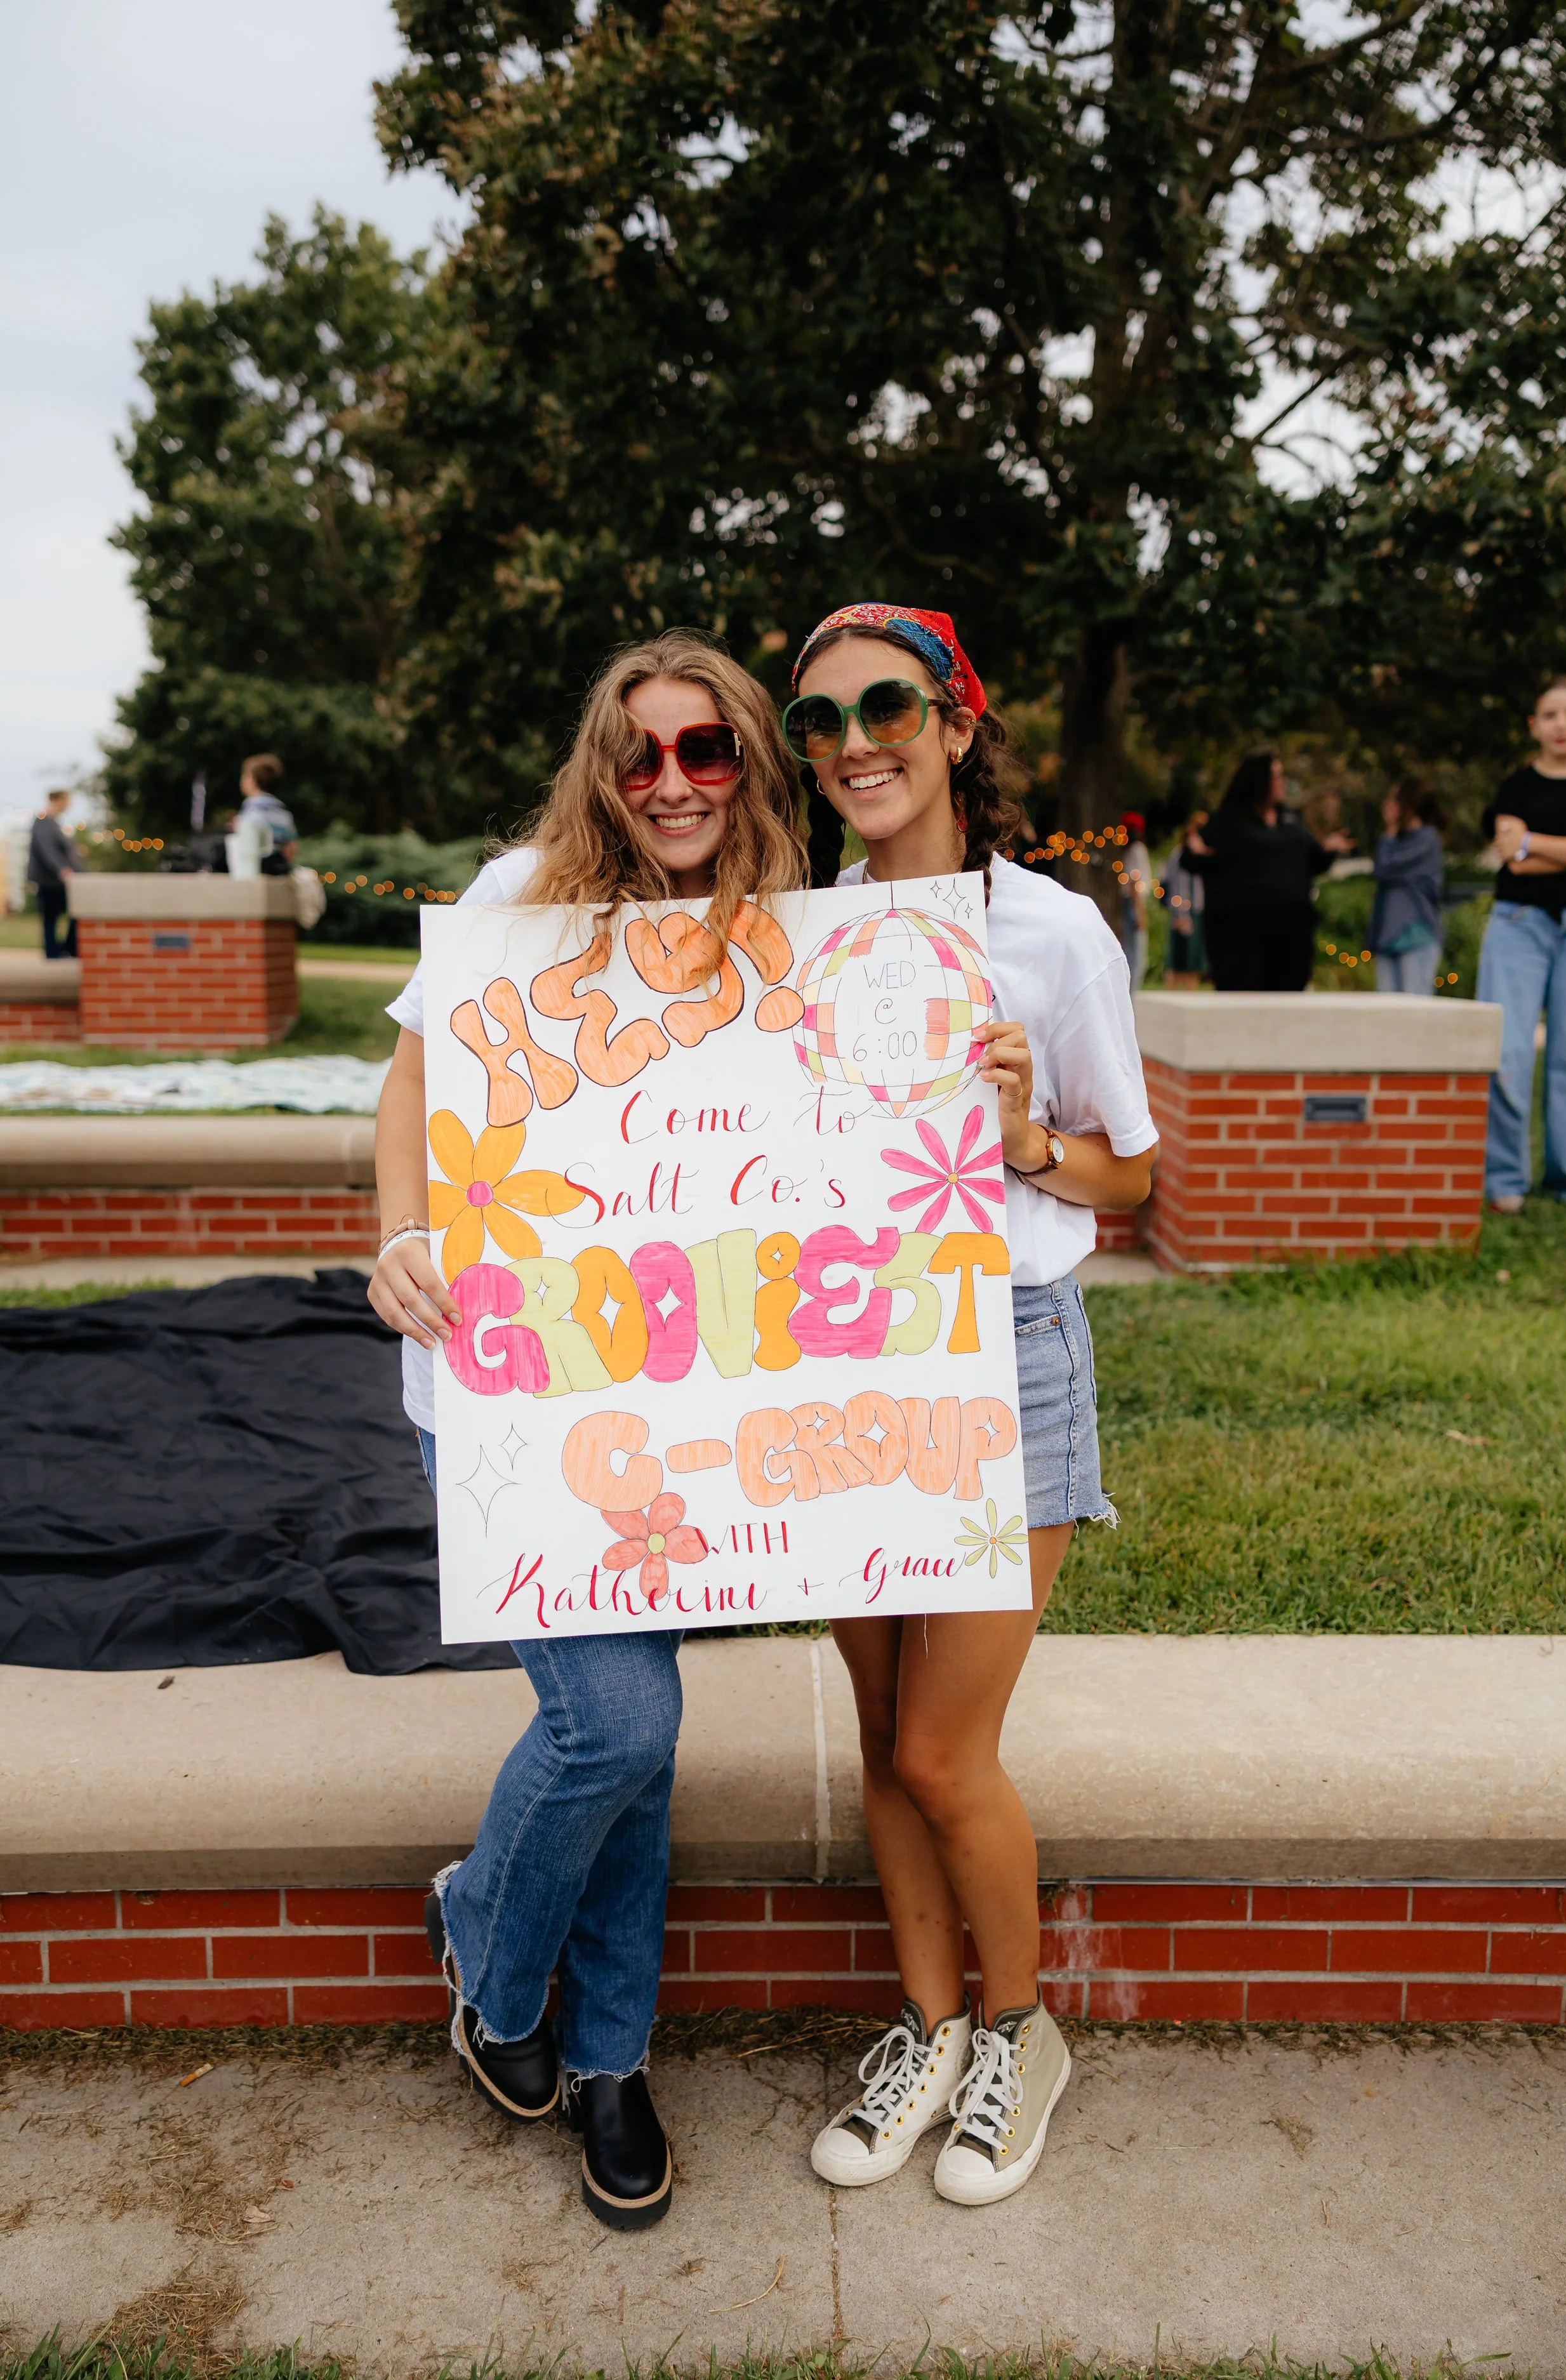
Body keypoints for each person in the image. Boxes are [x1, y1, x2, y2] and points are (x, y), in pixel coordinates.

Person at [367, 631, 806, 2228]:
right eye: (642, 752)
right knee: (615, 1724)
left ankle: (611, 2058)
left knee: (649, 1731)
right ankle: (491, 1940)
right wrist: (400, 1233)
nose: (673, 781)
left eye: (706, 750)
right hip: (508, 1385)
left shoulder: (790, 941)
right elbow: (413, 1088)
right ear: (600, 768)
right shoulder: (513, 905)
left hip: (685, 1407)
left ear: (750, 759)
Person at [790, 602, 1158, 2206]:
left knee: (946, 1745)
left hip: (1005, 1336)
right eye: (820, 720)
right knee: (878, 1730)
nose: (855, 741)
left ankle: (1021, 2027)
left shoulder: (1052, 931)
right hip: (848, 1348)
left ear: (955, 724)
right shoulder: (787, 932)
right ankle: (927, 2024)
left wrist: (1020, 1136)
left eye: (887, 706)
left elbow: (1132, 1173)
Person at [1477, 673, 1566, 1212]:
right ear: (1534, 726)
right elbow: (1508, 858)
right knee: (1506, 1050)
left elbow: (1524, 853)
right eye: (1550, 715)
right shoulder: (1516, 787)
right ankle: (1504, 1181)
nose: (1561, 724)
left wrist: (1533, 844)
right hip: (1519, 923)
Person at [1181, 752, 1350, 991]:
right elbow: (1196, 860)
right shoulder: (1227, 822)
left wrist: (1329, 850)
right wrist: (1193, 852)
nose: (1282, 783)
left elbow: (1311, 863)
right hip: (1240, 932)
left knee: (1288, 994)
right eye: (1276, 776)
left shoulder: (1290, 821)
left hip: (1291, 929)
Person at [1369, 781, 1445, 996]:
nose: (1387, 805)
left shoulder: (1427, 839)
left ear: (1408, 805)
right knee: (1388, 1017)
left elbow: (1383, 868)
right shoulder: (1396, 841)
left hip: (1416, 936)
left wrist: (1390, 832)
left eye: (1393, 800)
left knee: (1415, 1014)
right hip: (1386, 938)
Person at [27, 790, 79, 959]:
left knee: (70, 915)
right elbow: (48, 850)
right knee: (52, 918)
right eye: (67, 801)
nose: (69, 805)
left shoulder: (54, 822)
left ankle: (64, 950)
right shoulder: (44, 822)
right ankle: (55, 952)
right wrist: (62, 869)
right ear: (57, 800)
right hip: (49, 881)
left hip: (57, 881)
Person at [1159, 817, 1207, 988]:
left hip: (1195, 909)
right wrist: (1181, 915)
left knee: (1193, 959)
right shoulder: (1180, 856)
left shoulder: (1200, 854)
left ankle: (1189, 995)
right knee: (1179, 959)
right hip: (1183, 910)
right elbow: (1178, 887)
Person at [237, 754, 298, 863]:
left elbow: (245, 840)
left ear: (252, 781)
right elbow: (292, 847)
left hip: (256, 865)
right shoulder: (283, 810)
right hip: (278, 867)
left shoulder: (252, 806)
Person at [1120, 809, 1151, 988]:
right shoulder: (1138, 850)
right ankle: (1131, 996)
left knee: (1130, 951)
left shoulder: (1126, 851)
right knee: (1137, 956)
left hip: (1128, 903)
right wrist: (1140, 913)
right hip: (1134, 903)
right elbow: (1135, 883)